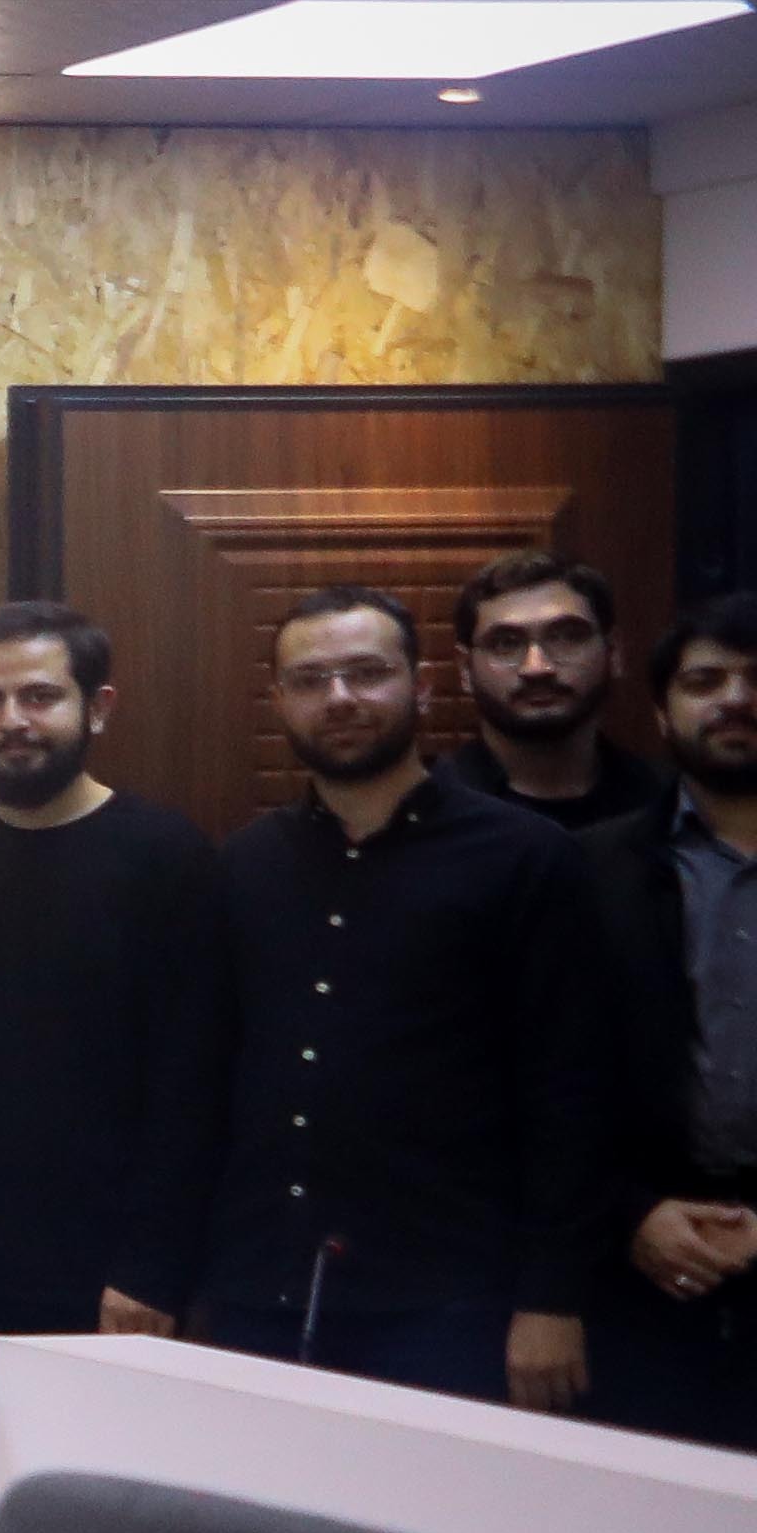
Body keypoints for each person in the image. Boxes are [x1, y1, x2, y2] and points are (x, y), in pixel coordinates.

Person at [202, 587, 608, 1408]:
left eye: (367, 673)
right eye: (310, 680)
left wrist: (551, 1298)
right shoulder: (244, 865)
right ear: (279, 701)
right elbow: (206, 1081)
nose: (339, 698)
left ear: (421, 689)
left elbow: (569, 1095)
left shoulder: (525, 857)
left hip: (449, 1303)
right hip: (260, 1289)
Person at [0, 598, 226, 1356]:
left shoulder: (170, 861)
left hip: (109, 1281)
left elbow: (192, 1088)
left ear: (97, 708)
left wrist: (153, 1268)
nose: (13, 720)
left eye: (40, 696)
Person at [576, 592, 757, 1445]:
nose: (735, 699)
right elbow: (552, 1077)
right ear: (660, 711)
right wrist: (632, 1214)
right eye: (705, 681)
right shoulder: (590, 870)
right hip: (638, 1270)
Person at [437, 551, 671, 837]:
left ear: (613, 653)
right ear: (465, 669)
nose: (537, 668)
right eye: (505, 644)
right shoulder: (428, 813)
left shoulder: (673, 804)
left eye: (567, 637)